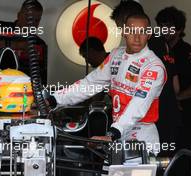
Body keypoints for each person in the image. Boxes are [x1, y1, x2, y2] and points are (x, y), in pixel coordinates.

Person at [48, 13, 167, 155]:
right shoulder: (116, 55)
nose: (136, 37)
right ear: (123, 32)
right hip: (117, 135)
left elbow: (138, 104)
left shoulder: (153, 66)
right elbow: (90, 84)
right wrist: (53, 99)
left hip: (140, 136)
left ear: (149, 35)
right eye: (131, 31)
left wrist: (112, 133)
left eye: (142, 32)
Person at [110, 0, 181, 157]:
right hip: (168, 113)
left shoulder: (143, 47)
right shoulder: (160, 39)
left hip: (149, 119)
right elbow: (175, 85)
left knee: (146, 164)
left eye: (120, 26)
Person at [156, 6, 191, 175]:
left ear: (179, 29)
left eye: (169, 26)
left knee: (180, 163)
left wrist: (180, 96)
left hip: (184, 120)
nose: (164, 30)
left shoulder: (186, 52)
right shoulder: (157, 50)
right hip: (162, 119)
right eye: (161, 25)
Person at [0, 0, 47, 87]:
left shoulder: (39, 44)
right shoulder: (1, 26)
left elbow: (41, 78)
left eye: (37, 20)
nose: (32, 23)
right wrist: (18, 46)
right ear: (19, 15)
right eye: (28, 19)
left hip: (22, 93)